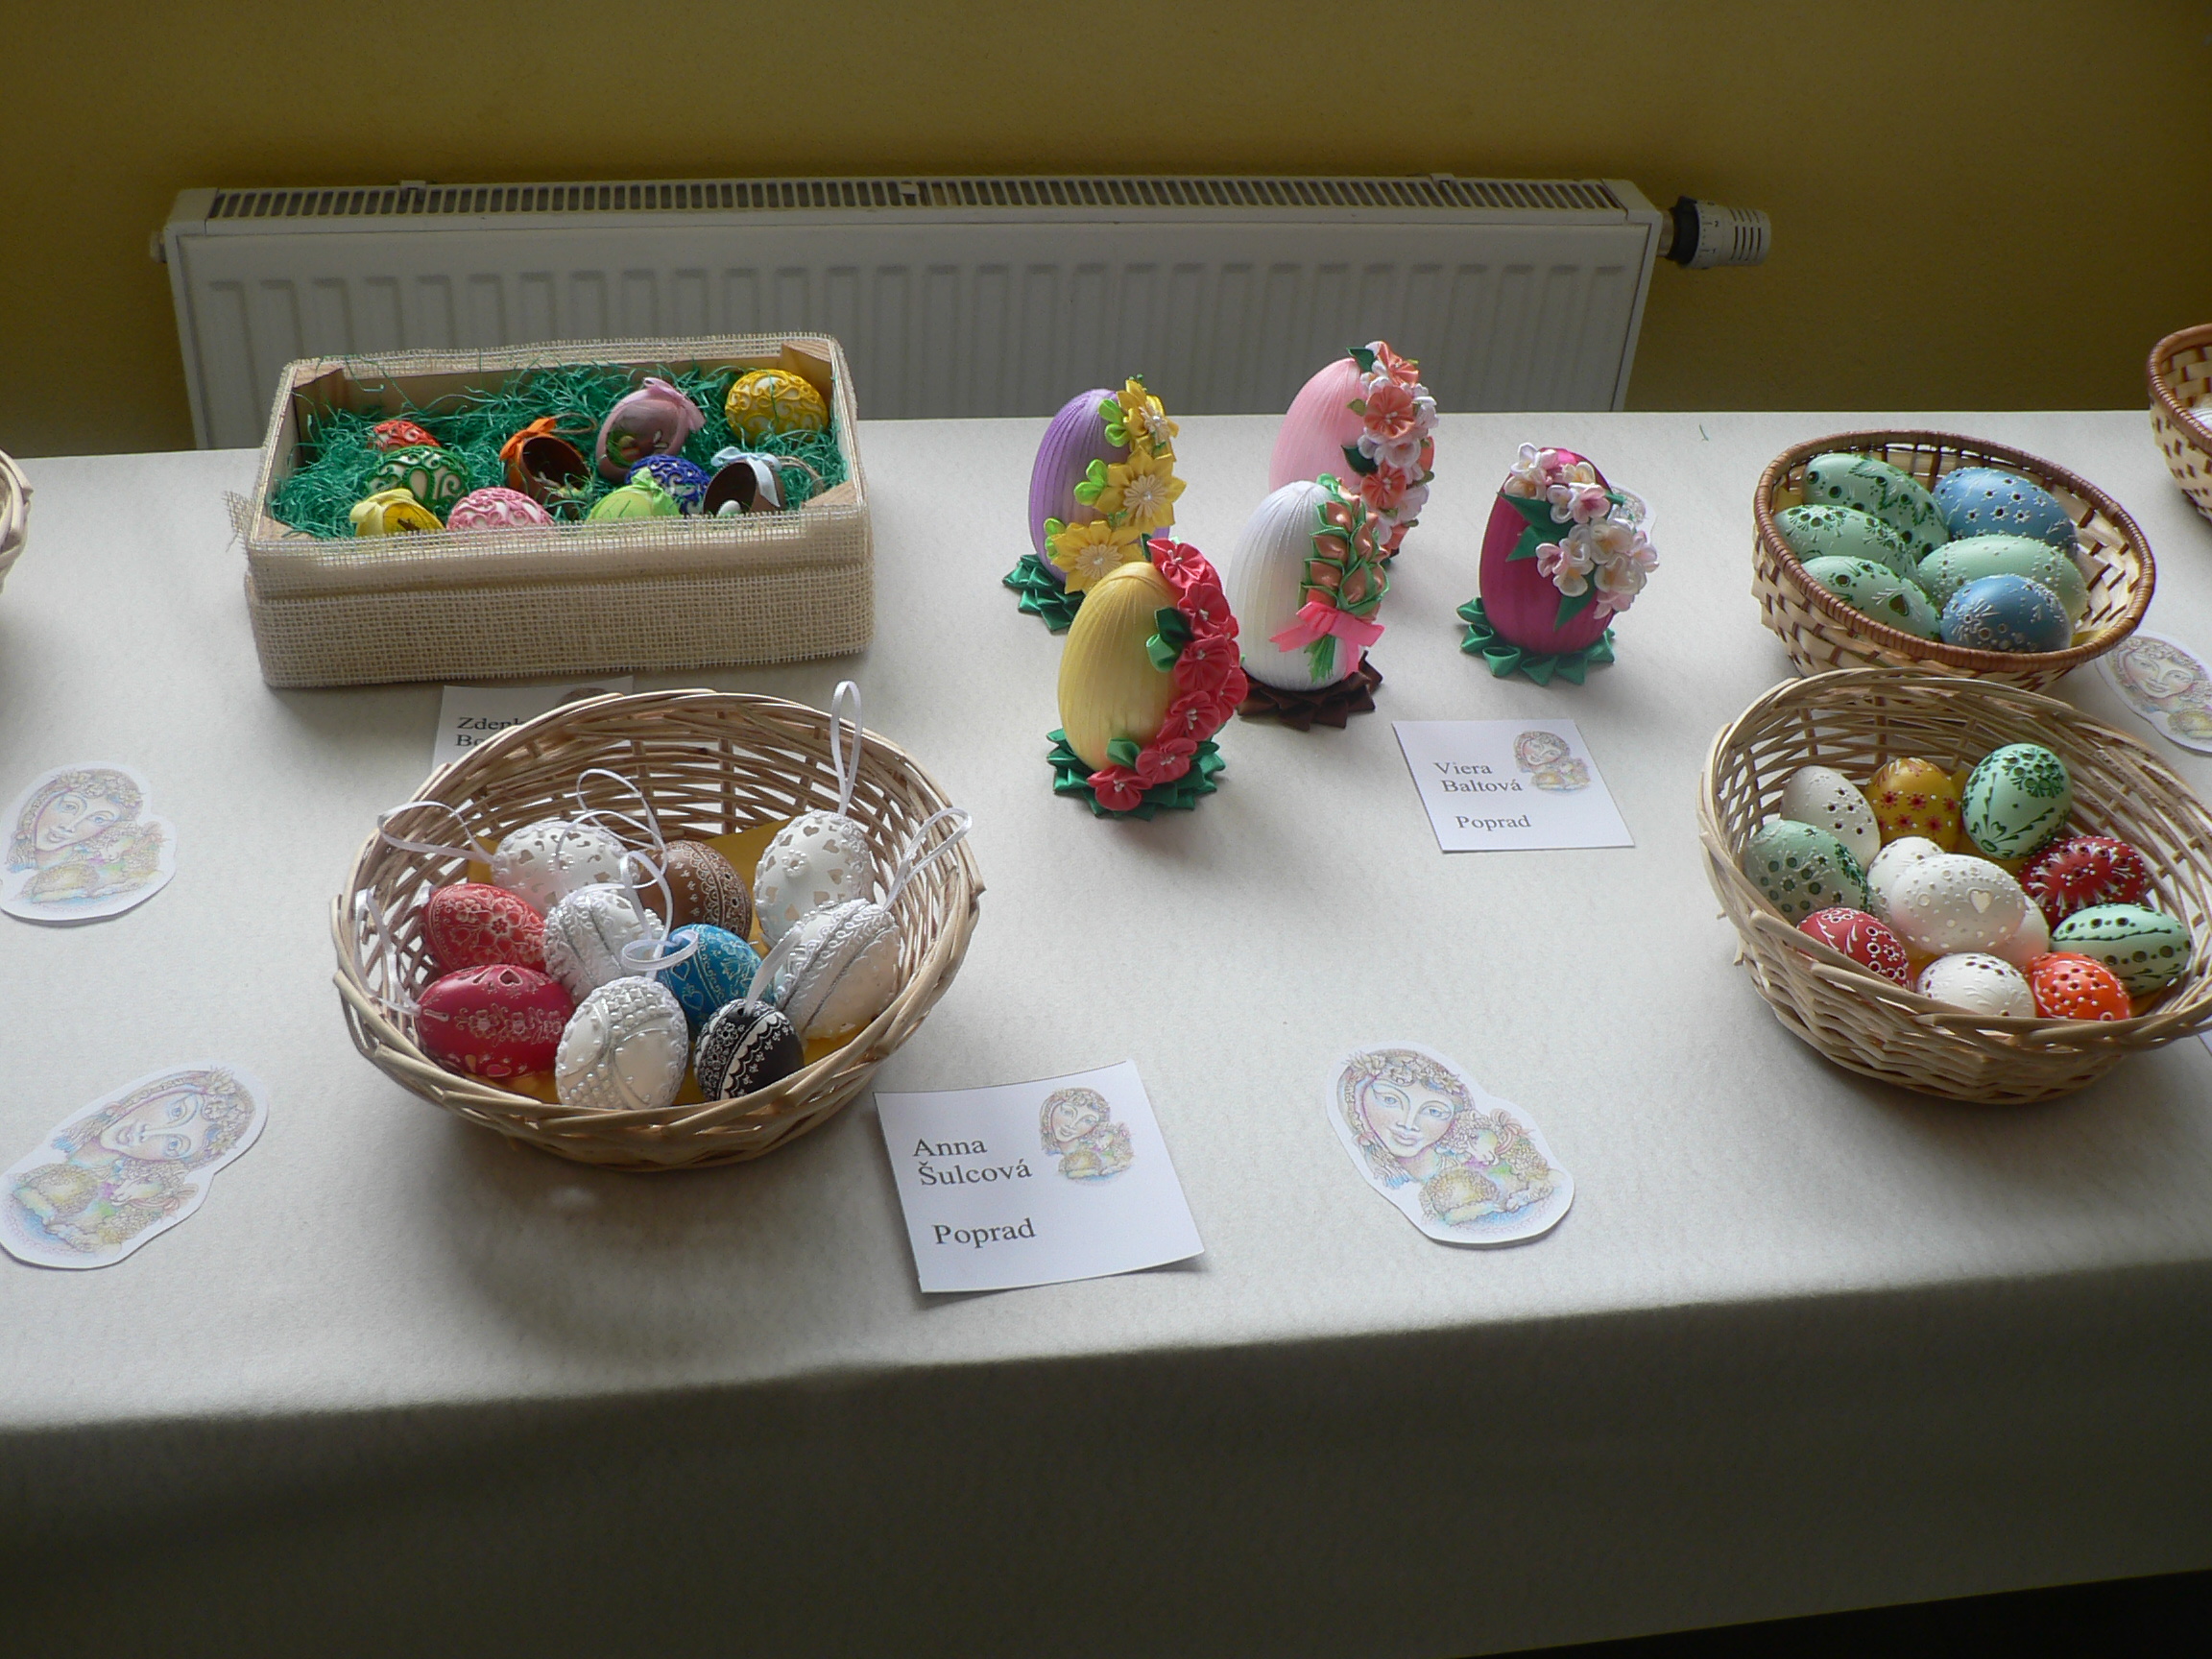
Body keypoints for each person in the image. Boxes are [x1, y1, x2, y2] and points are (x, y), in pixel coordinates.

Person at [5, 1070, 257, 1259]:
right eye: (177, 1111)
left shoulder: (130, 1186)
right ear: (157, 1094)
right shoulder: (74, 1126)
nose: (148, 1133)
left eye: (174, 1144)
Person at [1337, 1047, 1558, 1228]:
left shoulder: (1472, 1159)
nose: (1408, 1123)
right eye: (1389, 1100)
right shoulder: (1380, 1166)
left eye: (1434, 1111)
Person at [7, 767, 165, 904]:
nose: (70, 826)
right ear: (43, 802)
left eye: (98, 819)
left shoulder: (82, 879)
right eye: (70, 807)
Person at [1039, 1087, 1134, 1181]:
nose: (1072, 1125)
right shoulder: (1048, 1153)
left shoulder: (1095, 1156)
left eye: (1088, 1120)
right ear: (1051, 1111)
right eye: (1067, 1112)